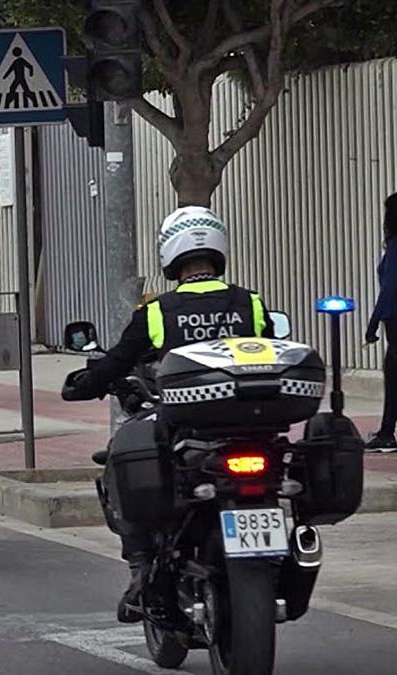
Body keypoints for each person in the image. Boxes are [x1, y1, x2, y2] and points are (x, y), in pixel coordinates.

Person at [62, 206, 276, 623]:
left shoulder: (158, 312)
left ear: (170, 254)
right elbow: (267, 349)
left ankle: (141, 570)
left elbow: (117, 362)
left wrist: (84, 383)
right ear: (219, 248)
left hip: (186, 429)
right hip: (251, 426)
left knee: (125, 464)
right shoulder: (248, 302)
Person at [365, 193, 397, 452]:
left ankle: (387, 432)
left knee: (393, 376)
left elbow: (389, 290)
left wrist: (372, 325)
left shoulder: (395, 248)